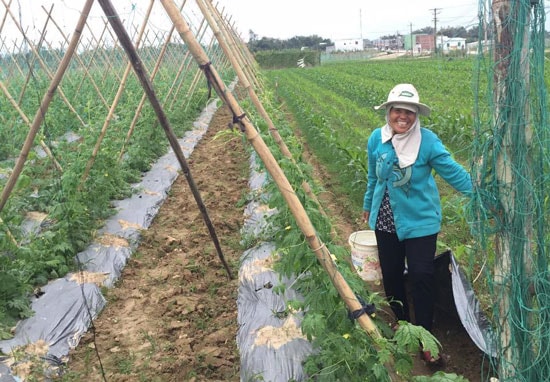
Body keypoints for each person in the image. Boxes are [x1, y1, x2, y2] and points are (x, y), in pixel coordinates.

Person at [361, 83, 472, 364]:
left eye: (409, 112)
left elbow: (454, 173)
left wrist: (482, 195)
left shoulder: (428, 141)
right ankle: (401, 323)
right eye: (398, 110)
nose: (403, 117)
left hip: (420, 220)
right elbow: (373, 178)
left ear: (416, 115)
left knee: (422, 275)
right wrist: (367, 206)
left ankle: (425, 336)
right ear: (388, 112)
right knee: (392, 273)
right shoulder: (377, 139)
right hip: (385, 218)